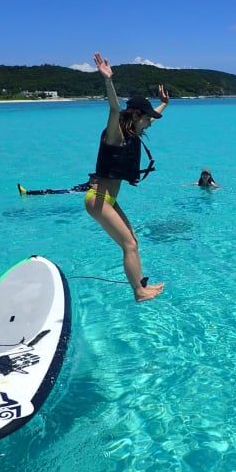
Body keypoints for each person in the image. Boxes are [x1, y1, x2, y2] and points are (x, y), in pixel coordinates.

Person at [84, 52, 169, 302]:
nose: (151, 123)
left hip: (106, 199)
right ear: (137, 117)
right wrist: (108, 80)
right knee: (129, 245)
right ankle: (139, 293)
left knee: (133, 241)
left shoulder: (132, 131)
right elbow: (113, 107)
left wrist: (165, 105)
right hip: (98, 198)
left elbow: (149, 114)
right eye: (148, 118)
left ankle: (142, 285)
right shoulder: (115, 135)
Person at [18, 173, 95, 196]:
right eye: (90, 177)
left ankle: (27, 192)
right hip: (69, 191)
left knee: (49, 191)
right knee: (49, 191)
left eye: (92, 177)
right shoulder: (89, 184)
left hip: (69, 192)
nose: (90, 178)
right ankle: (27, 192)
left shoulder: (93, 187)